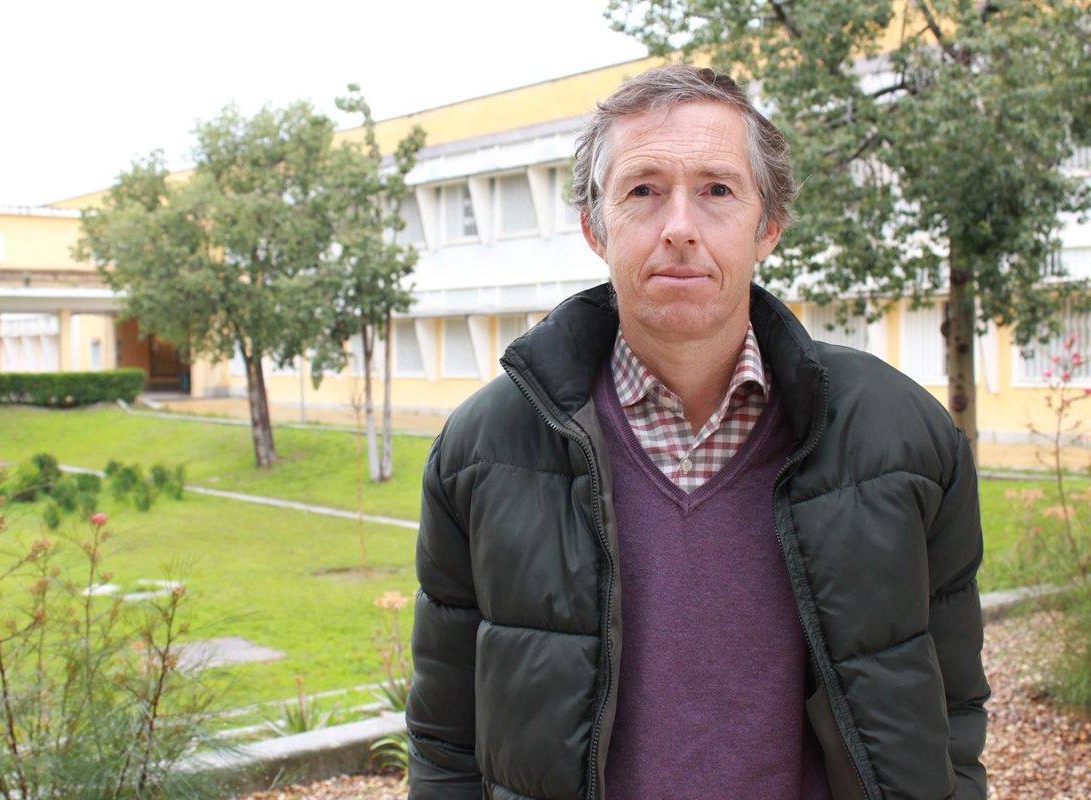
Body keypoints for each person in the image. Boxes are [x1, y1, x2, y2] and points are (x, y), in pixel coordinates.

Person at [405, 65, 989, 800]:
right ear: (594, 227)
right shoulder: (482, 451)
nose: (679, 226)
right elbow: (446, 742)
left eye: (716, 189)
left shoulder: (902, 438)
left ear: (767, 226)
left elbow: (950, 712)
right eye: (643, 190)